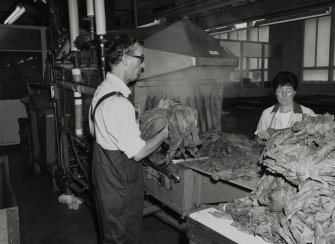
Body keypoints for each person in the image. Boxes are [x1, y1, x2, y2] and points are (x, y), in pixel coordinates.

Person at [89, 35, 168, 244]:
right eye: (141, 59)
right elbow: (139, 152)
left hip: (108, 182)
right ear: (125, 58)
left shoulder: (102, 90)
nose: (143, 66)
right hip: (120, 188)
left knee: (112, 234)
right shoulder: (117, 103)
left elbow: (96, 130)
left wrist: (137, 116)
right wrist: (164, 133)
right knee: (122, 237)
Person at [255, 71, 315, 142]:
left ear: (294, 92)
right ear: (275, 93)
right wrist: (259, 137)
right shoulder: (267, 113)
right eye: (280, 92)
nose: (284, 95)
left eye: (288, 91)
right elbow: (257, 141)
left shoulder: (308, 113)